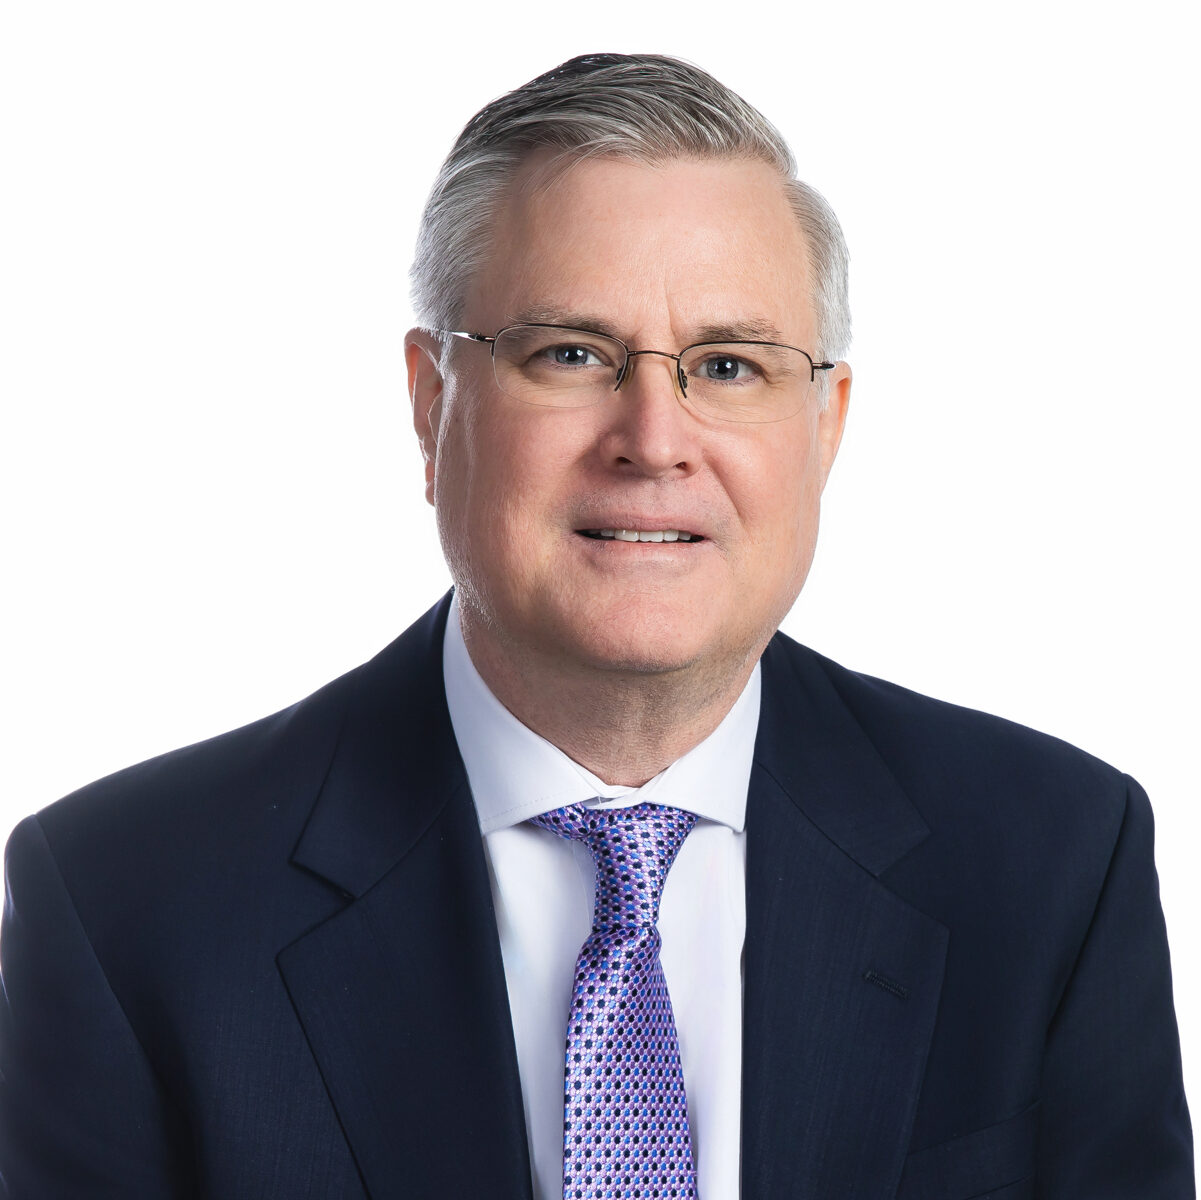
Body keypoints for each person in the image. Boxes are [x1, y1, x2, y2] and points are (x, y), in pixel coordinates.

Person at [0, 51, 1192, 1200]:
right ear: (431, 407)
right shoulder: (124, 906)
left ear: (824, 427)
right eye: (571, 353)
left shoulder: (1049, 866)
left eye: (728, 366)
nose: (654, 438)